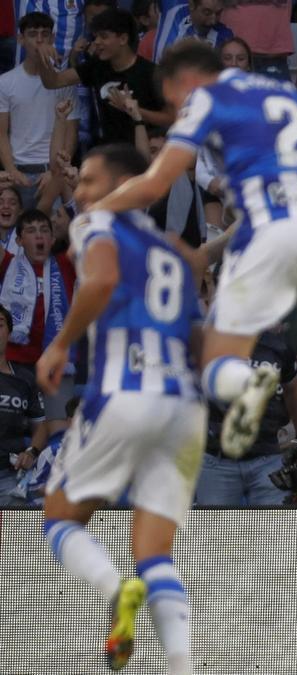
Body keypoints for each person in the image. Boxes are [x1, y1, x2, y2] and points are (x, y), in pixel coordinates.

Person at [82, 41, 297, 520]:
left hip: (263, 455)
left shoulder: (275, 335)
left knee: (271, 548)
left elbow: (296, 386)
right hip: (215, 456)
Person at [37, 143, 205, 675]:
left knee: (60, 517)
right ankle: (182, 666)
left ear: (121, 185)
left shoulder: (97, 223)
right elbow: (198, 335)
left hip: (124, 393)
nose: (81, 193)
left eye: (89, 181)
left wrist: (61, 343)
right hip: (182, 406)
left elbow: (104, 279)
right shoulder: (174, 249)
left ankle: (114, 590)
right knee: (156, 552)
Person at [195, 324, 297, 506]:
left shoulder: (278, 346)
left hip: (267, 458)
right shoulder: (210, 343)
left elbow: (294, 390)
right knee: (214, 533)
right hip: (216, 460)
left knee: (273, 532)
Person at [33, 8, 170, 145]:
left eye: (103, 36)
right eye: (96, 36)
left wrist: (135, 111)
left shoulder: (151, 73)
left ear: (123, 39)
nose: (97, 42)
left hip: (144, 156)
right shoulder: (97, 66)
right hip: (109, 153)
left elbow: (171, 118)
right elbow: (53, 82)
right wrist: (42, 58)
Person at [0, 209, 76, 434]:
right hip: (13, 363)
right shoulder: (7, 263)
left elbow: (87, 231)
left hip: (56, 364)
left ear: (53, 239)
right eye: (31, 231)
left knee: (60, 431)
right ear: (19, 240)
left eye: (44, 230)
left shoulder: (66, 264)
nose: (39, 236)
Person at [0, 12, 81, 212]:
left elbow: (72, 131)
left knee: (51, 234)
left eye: (45, 34)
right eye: (32, 34)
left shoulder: (64, 81)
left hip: (53, 172)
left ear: (53, 39)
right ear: (20, 39)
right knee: (18, 236)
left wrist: (56, 172)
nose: (39, 40)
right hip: (19, 172)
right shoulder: (5, 82)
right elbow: (1, 132)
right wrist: (10, 169)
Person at [0, 302, 46, 506]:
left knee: (13, 537)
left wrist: (32, 451)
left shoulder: (25, 380)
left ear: (9, 333)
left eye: (0, 324)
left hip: (9, 478)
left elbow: (41, 426)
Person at [152, 0, 234, 62]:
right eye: (207, 13)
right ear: (191, 5)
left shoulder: (224, 37)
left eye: (218, 13)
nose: (213, 20)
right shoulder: (173, 7)